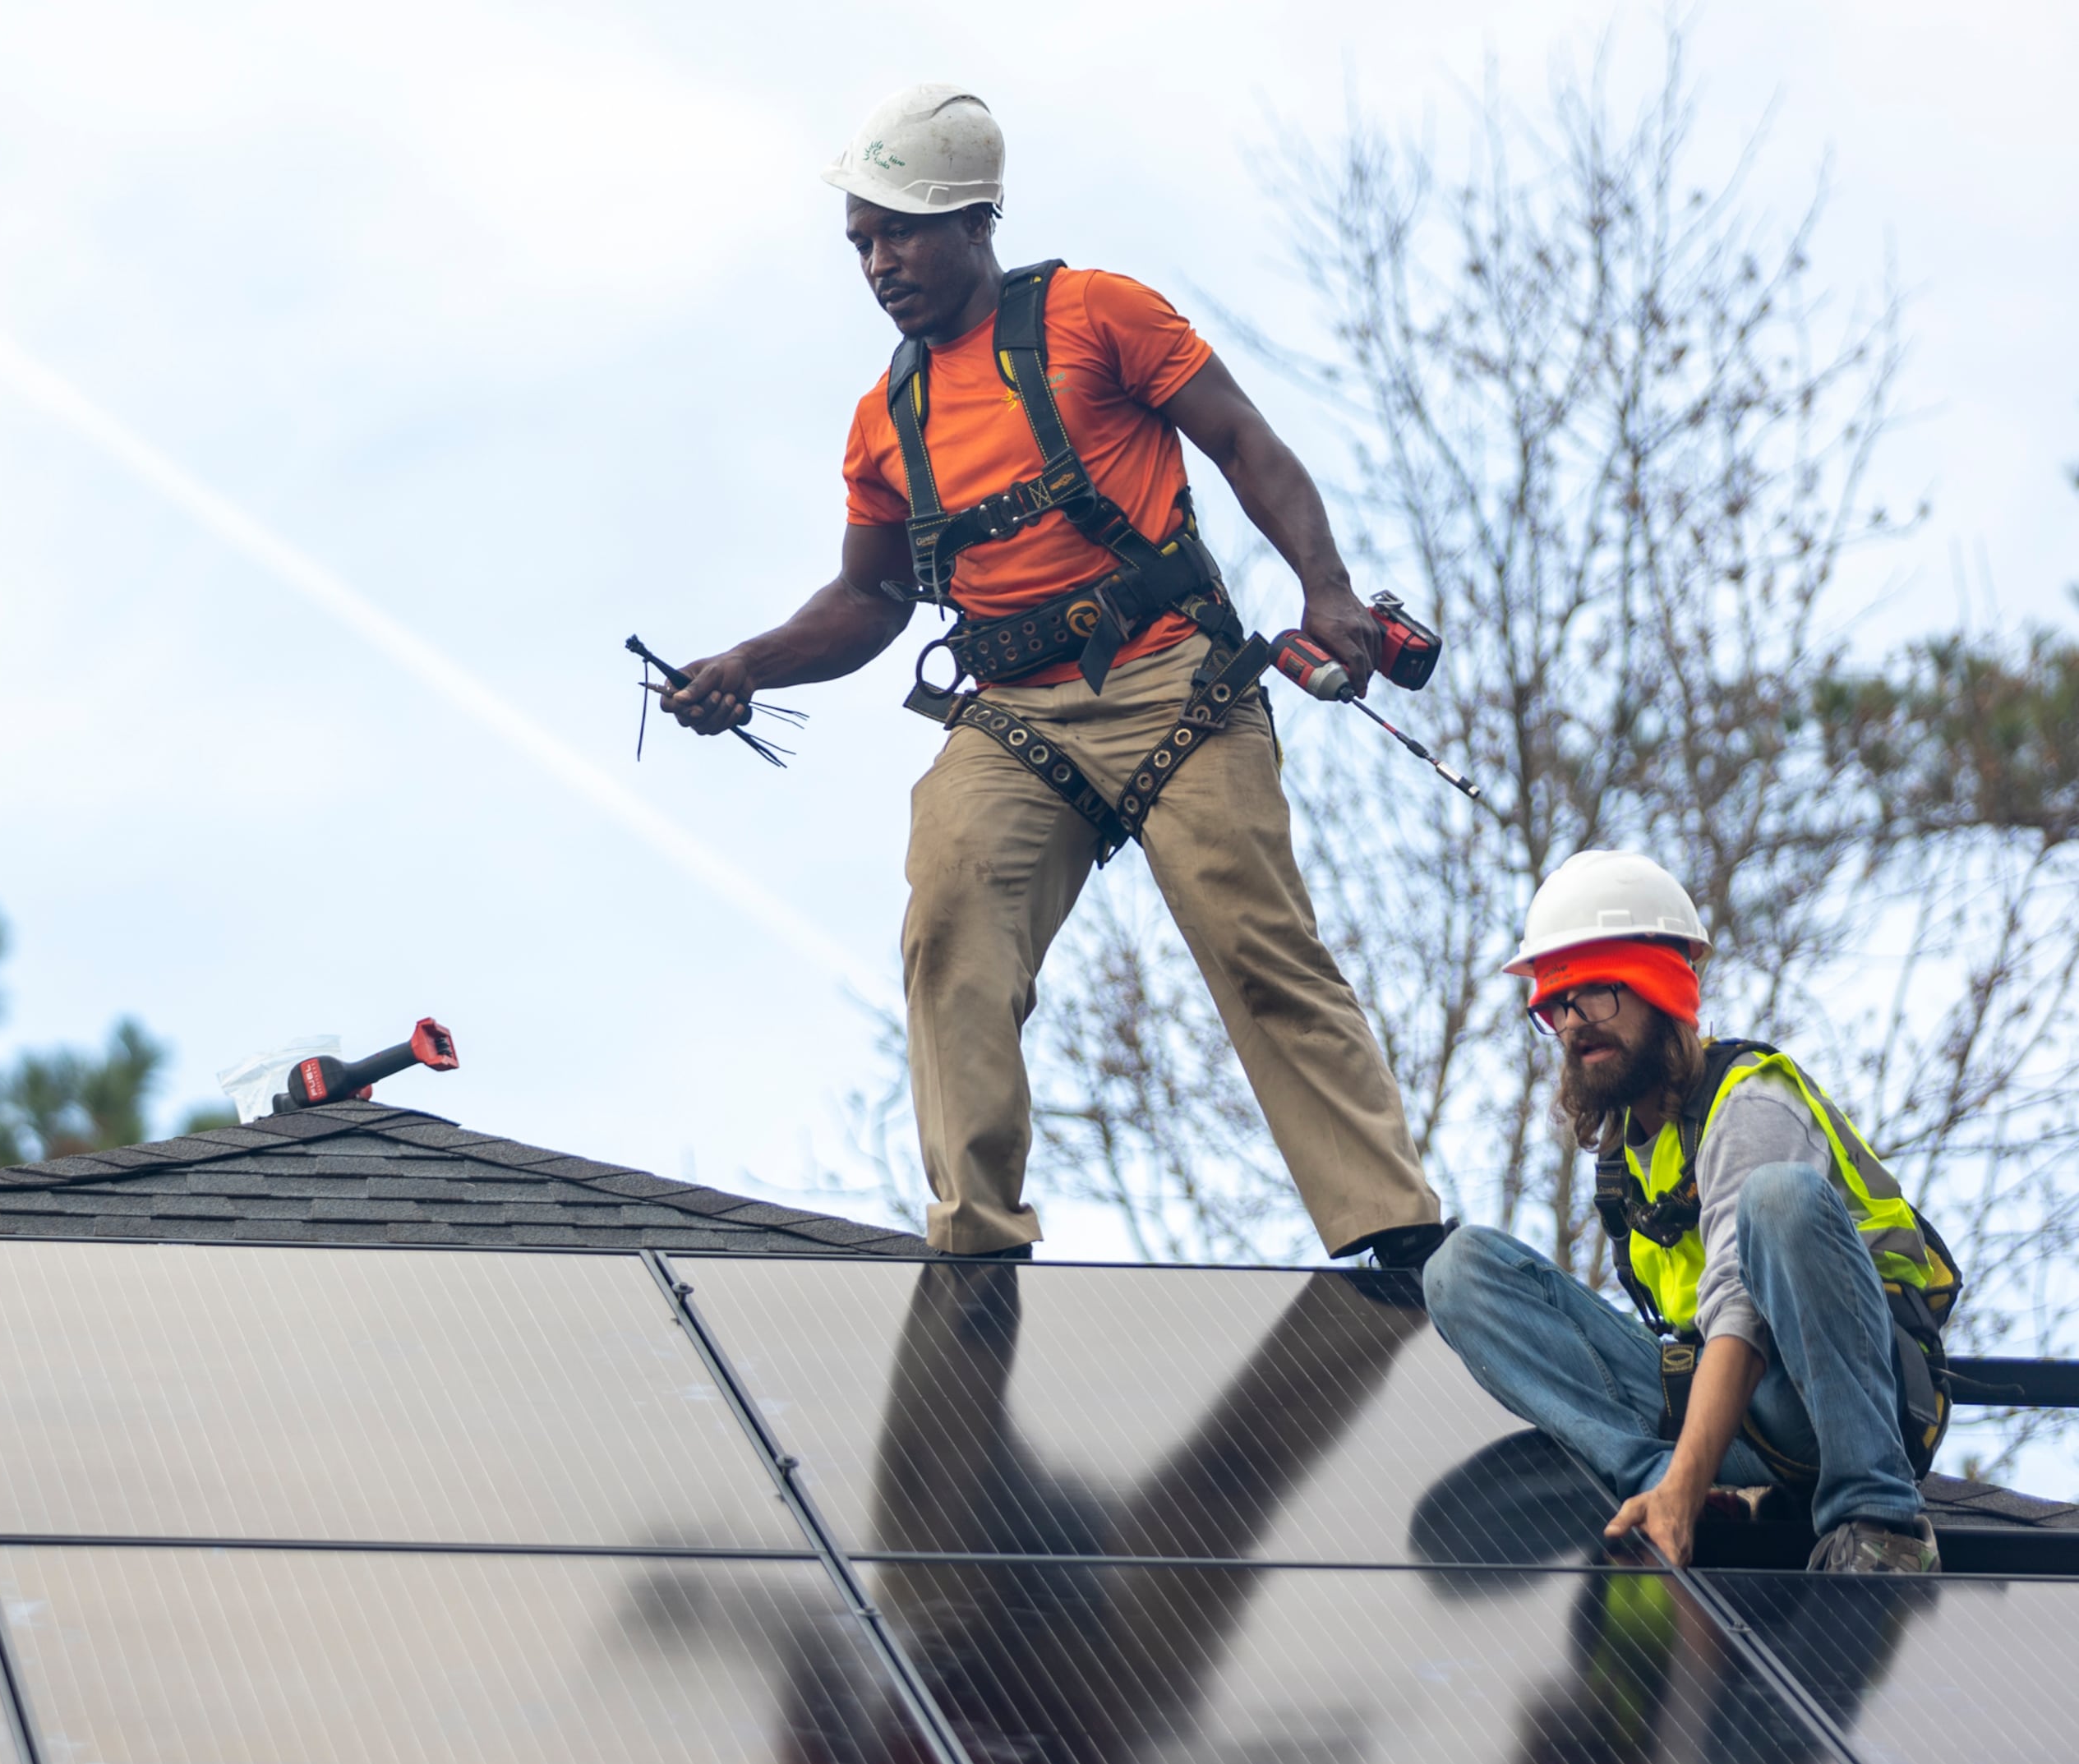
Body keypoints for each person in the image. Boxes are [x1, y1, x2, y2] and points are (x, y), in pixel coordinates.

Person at [660, 83, 1444, 1264]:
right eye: (864, 242)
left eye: (904, 232)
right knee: (952, 917)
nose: (881, 264)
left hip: (1175, 680)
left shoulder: (1097, 317)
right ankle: (977, 1241)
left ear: (977, 222)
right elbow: (870, 598)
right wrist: (749, 664)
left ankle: (1396, 1232)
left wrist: (1325, 590)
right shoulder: (888, 420)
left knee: (1254, 939)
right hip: (1017, 718)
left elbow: (1243, 443)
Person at [1422, 850, 1958, 1575]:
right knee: (1461, 1270)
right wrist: (1682, 1479)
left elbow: (1741, 1305)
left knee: (1779, 1197)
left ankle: (1880, 1518)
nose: (1575, 1022)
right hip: (1735, 1420)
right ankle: (1670, 1488)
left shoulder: (1750, 1103)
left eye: (1599, 992)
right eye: (1557, 1004)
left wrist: (1689, 1474)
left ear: (1663, 990)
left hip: (1848, 1398)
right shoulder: (1625, 1163)